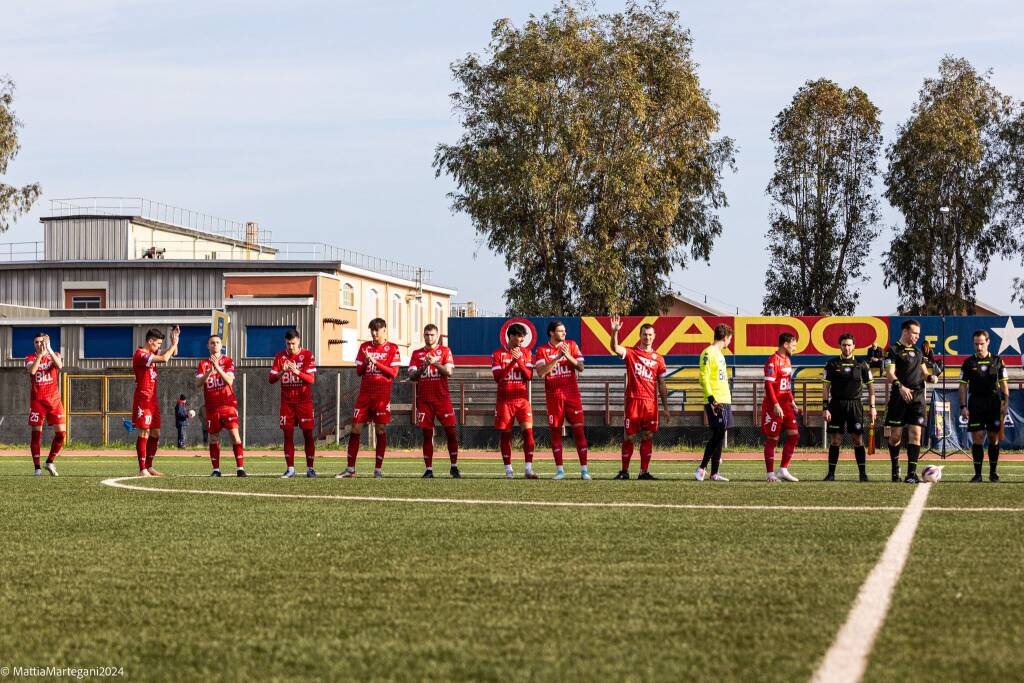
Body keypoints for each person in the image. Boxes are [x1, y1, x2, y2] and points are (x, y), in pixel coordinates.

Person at [609, 315, 671, 480]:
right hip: (633, 400)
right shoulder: (631, 353)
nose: (647, 337)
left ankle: (644, 472)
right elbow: (615, 347)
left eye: (650, 335)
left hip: (650, 403)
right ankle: (624, 471)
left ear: (654, 336)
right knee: (629, 436)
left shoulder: (659, 359)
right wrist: (614, 332)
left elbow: (662, 384)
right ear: (640, 335)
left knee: (648, 436)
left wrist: (665, 408)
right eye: (644, 334)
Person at [338, 318, 401, 478]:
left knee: (380, 430)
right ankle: (350, 469)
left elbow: (393, 373)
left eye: (376, 330)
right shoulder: (364, 347)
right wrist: (366, 362)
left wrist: (376, 362)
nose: (374, 333)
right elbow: (359, 372)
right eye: (372, 330)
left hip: (382, 395)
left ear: (384, 330)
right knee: (355, 428)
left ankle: (378, 469)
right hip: (365, 395)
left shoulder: (393, 348)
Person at [534, 320, 590, 480]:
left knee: (579, 431)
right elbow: (541, 372)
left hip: (572, 396)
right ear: (551, 333)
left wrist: (568, 356)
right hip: (554, 398)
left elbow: (581, 367)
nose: (564, 333)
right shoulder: (542, 350)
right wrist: (558, 357)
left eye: (564, 330)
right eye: (560, 331)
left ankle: (584, 471)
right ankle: (560, 471)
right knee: (556, 434)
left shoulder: (571, 345)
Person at [884, 319, 938, 483]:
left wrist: (931, 377)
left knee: (916, 434)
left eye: (918, 334)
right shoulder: (893, 350)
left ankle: (911, 474)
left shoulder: (919, 352)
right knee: (896, 436)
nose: (917, 337)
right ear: (905, 331)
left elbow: (924, 374)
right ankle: (895, 468)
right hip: (899, 397)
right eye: (914, 333)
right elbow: (890, 373)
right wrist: (901, 387)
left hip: (917, 397)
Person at [408, 323, 461, 479]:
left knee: (451, 432)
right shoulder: (417, 353)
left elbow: (449, 372)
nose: (429, 337)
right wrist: (424, 366)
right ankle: (429, 469)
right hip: (424, 400)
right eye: (427, 334)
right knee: (427, 434)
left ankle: (454, 466)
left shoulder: (445, 351)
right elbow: (412, 376)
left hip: (442, 399)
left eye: (432, 335)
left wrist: (435, 363)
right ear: (423, 336)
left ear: (437, 336)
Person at [822, 333, 876, 482]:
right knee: (835, 440)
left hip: (855, 405)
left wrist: (872, 407)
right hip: (836, 404)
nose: (847, 347)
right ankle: (831, 474)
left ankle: (863, 474)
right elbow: (826, 387)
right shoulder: (832, 364)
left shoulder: (862, 364)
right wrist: (825, 408)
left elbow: (871, 387)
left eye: (849, 345)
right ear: (840, 346)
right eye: (844, 345)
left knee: (857, 439)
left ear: (854, 346)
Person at [959, 330, 1010, 482]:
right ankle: (978, 474)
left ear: (988, 342)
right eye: (976, 344)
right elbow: (962, 386)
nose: (979, 347)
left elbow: (1004, 385)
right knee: (978, 437)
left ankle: (993, 473)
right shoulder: (968, 363)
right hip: (975, 403)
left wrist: (1005, 403)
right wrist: (963, 406)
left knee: (993, 437)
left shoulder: (998, 361)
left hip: (993, 403)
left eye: (981, 343)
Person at [132, 326, 180, 477]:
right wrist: (173, 345)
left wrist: (175, 340)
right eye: (158, 343)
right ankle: (142, 469)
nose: (159, 346)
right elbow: (165, 358)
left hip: (152, 400)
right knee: (144, 431)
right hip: (143, 399)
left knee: (156, 432)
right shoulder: (140, 354)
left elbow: (173, 353)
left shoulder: (152, 352)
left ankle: (149, 466)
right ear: (150, 341)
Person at [270, 329, 317, 478]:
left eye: (293, 343)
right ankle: (290, 469)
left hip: (304, 402)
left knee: (308, 434)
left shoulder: (307, 355)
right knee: (287, 434)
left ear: (299, 341)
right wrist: (282, 372)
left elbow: (311, 379)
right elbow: (271, 379)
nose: (291, 347)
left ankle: (310, 468)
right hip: (287, 403)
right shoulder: (280, 356)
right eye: (288, 343)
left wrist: (297, 372)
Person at [490, 323, 536, 479]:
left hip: (522, 400)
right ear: (511, 336)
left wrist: (519, 361)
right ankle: (509, 470)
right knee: (506, 435)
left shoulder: (527, 352)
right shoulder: (497, 354)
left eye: (523, 337)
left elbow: (529, 376)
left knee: (528, 433)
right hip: (504, 402)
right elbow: (498, 378)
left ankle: (528, 469)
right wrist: (512, 362)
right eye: (520, 337)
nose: (522, 340)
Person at [196, 335, 246, 477]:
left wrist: (217, 367)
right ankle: (216, 470)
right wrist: (209, 372)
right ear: (208, 346)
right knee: (213, 438)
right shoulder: (203, 364)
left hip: (228, 405)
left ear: (221, 345)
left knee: (235, 436)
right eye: (212, 343)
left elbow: (229, 380)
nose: (215, 345)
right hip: (212, 407)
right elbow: (198, 383)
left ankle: (240, 468)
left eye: (217, 342)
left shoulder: (228, 361)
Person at [696, 323, 733, 482]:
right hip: (716, 399)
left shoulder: (720, 355)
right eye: (730, 339)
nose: (730, 342)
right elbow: (703, 378)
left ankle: (714, 473)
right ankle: (702, 467)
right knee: (719, 432)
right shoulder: (708, 352)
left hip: (725, 399)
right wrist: (712, 399)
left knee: (720, 433)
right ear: (725, 338)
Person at [26, 332, 66, 476]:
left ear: (46, 342)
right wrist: (40, 356)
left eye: (41, 342)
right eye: (36, 342)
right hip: (38, 401)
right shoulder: (30, 358)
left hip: (54, 400)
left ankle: (49, 461)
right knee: (36, 435)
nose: (39, 344)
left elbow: (60, 365)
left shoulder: (54, 354)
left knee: (61, 434)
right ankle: (37, 468)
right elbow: (32, 371)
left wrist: (48, 349)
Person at [762, 332, 800, 482]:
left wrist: (792, 402)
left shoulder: (787, 360)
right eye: (793, 345)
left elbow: (787, 385)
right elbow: (769, 385)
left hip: (786, 405)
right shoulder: (772, 360)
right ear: (785, 344)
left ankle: (783, 469)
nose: (795, 348)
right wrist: (776, 404)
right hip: (773, 406)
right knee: (773, 438)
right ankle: (770, 474)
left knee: (794, 435)